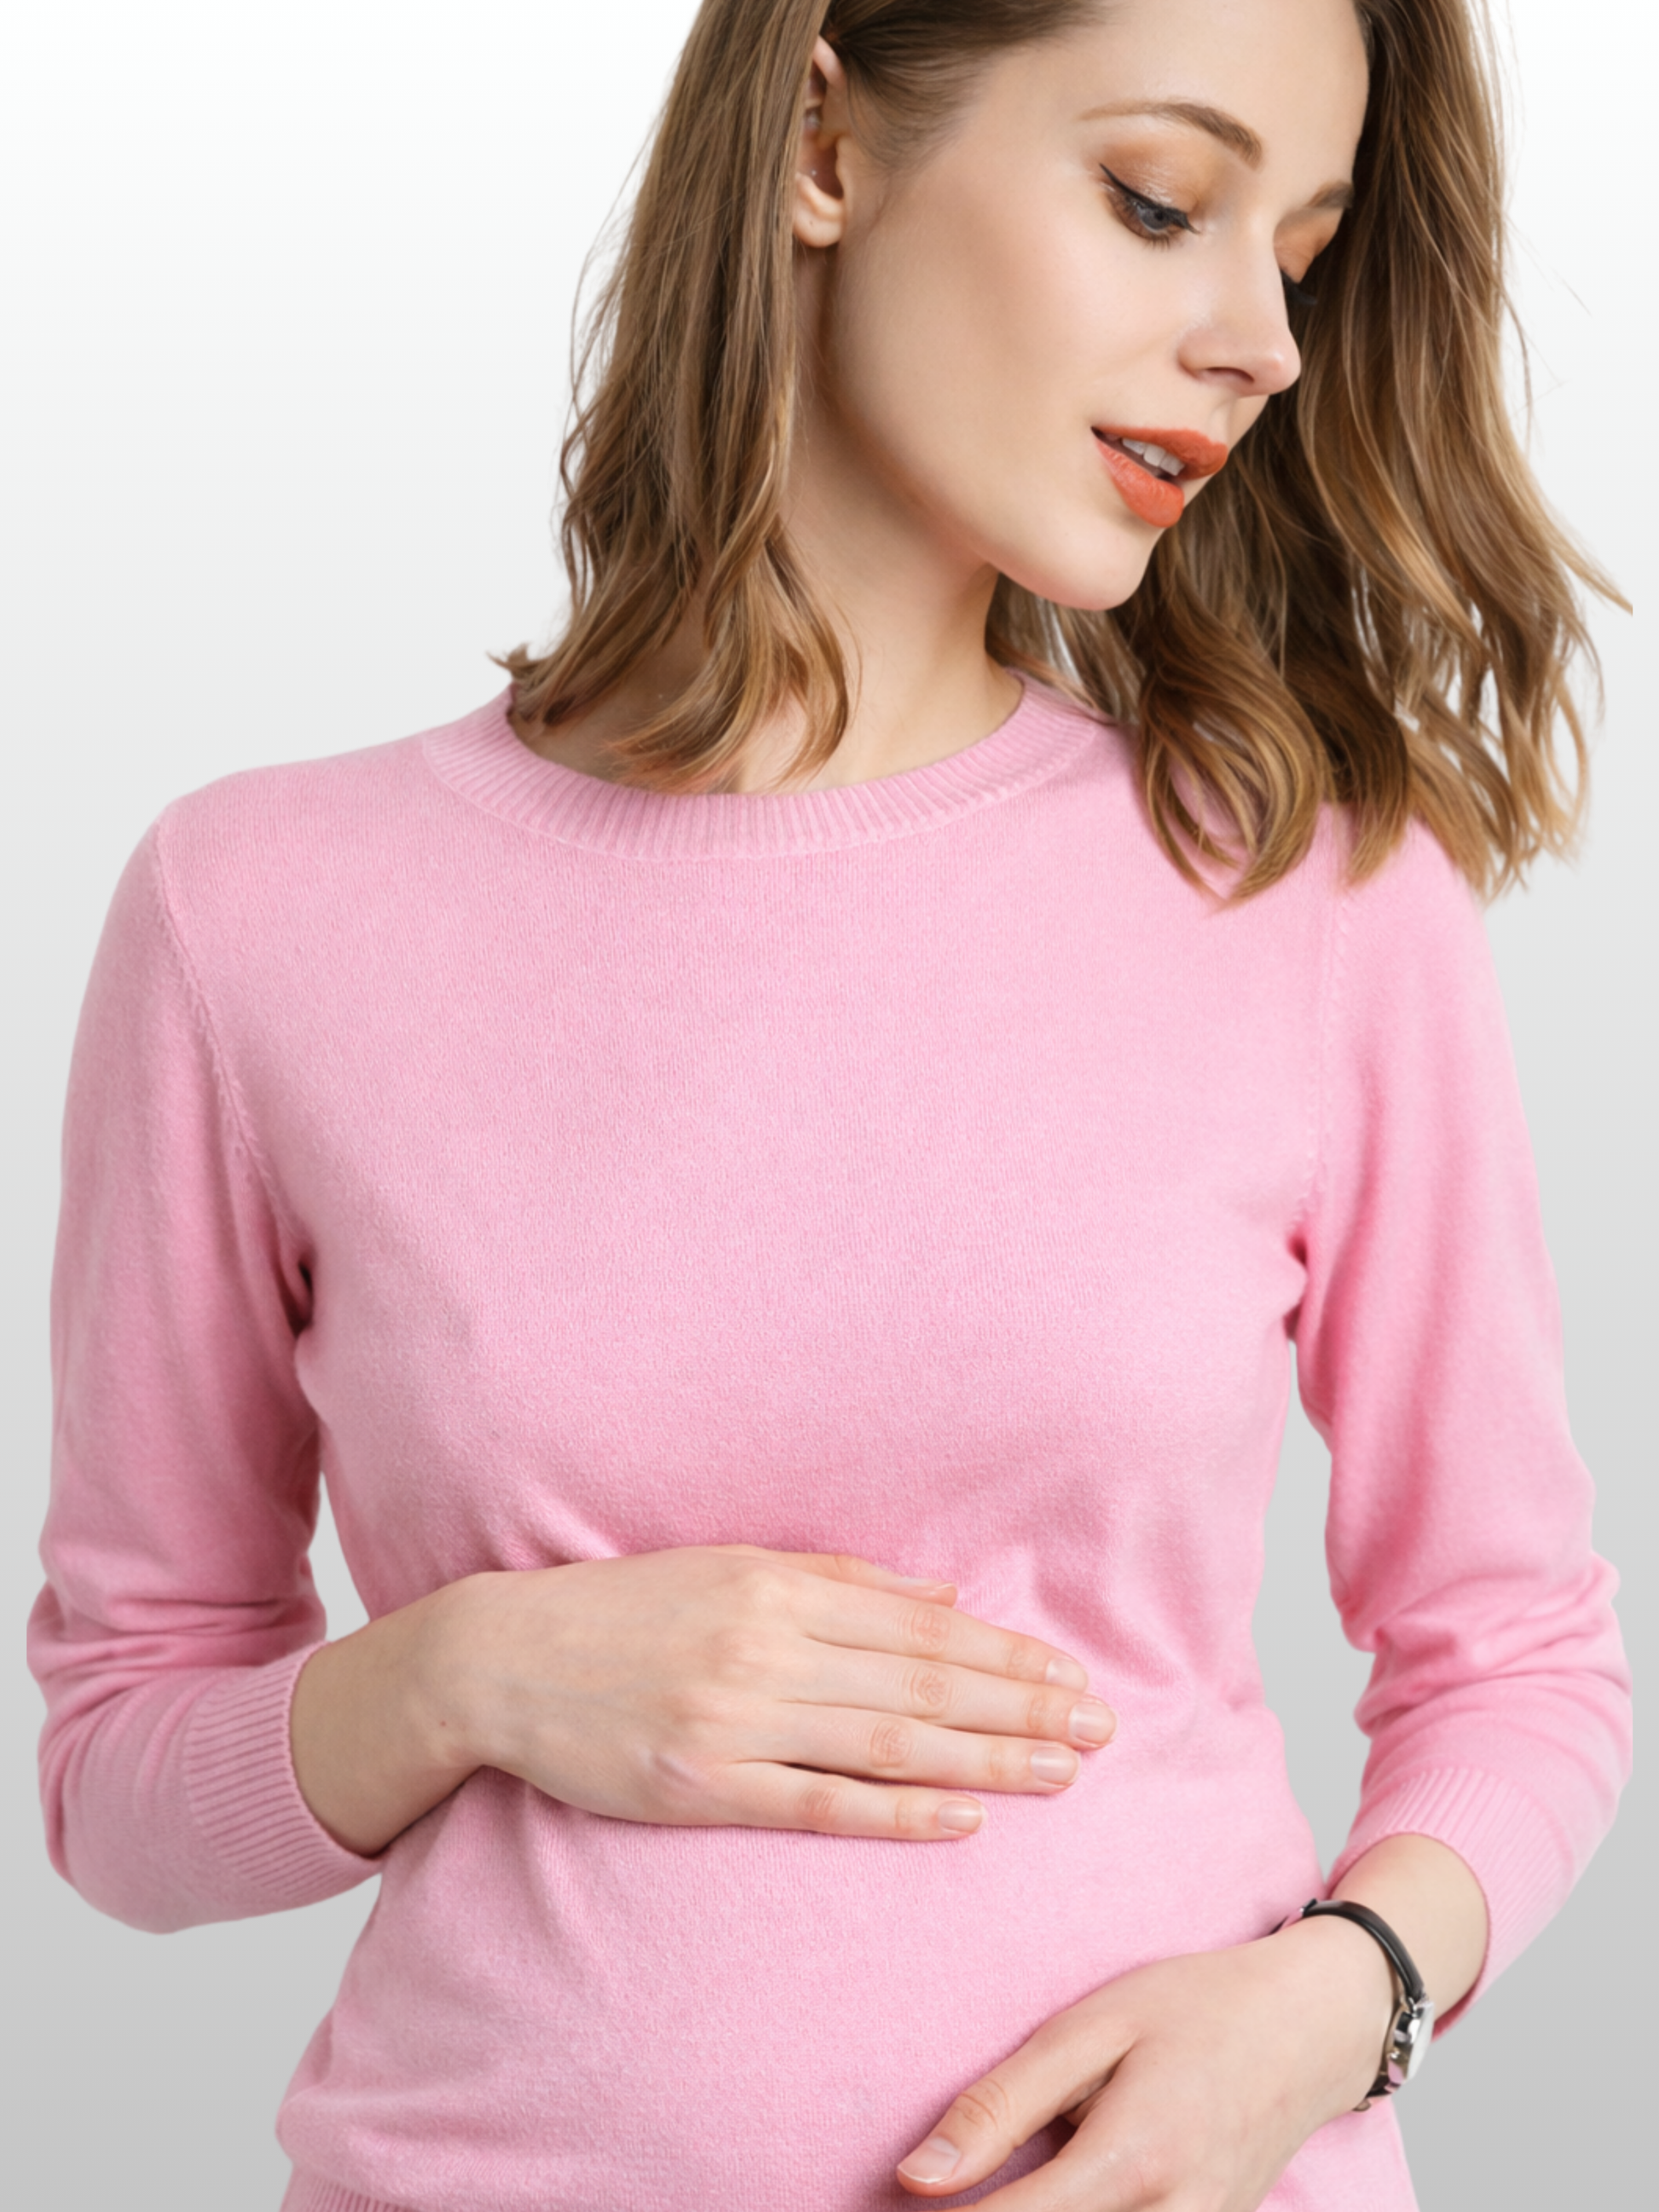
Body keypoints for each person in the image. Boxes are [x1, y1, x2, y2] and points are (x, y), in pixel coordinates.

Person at [28, 0, 1632, 2206]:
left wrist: (1332, 2008)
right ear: (819, 145)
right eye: (1159, 199)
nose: (1261, 342)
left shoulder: (1312, 897)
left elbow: (1520, 1656)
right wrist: (471, 1673)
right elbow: (118, 1775)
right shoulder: (257, 911)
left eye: (1300, 255)